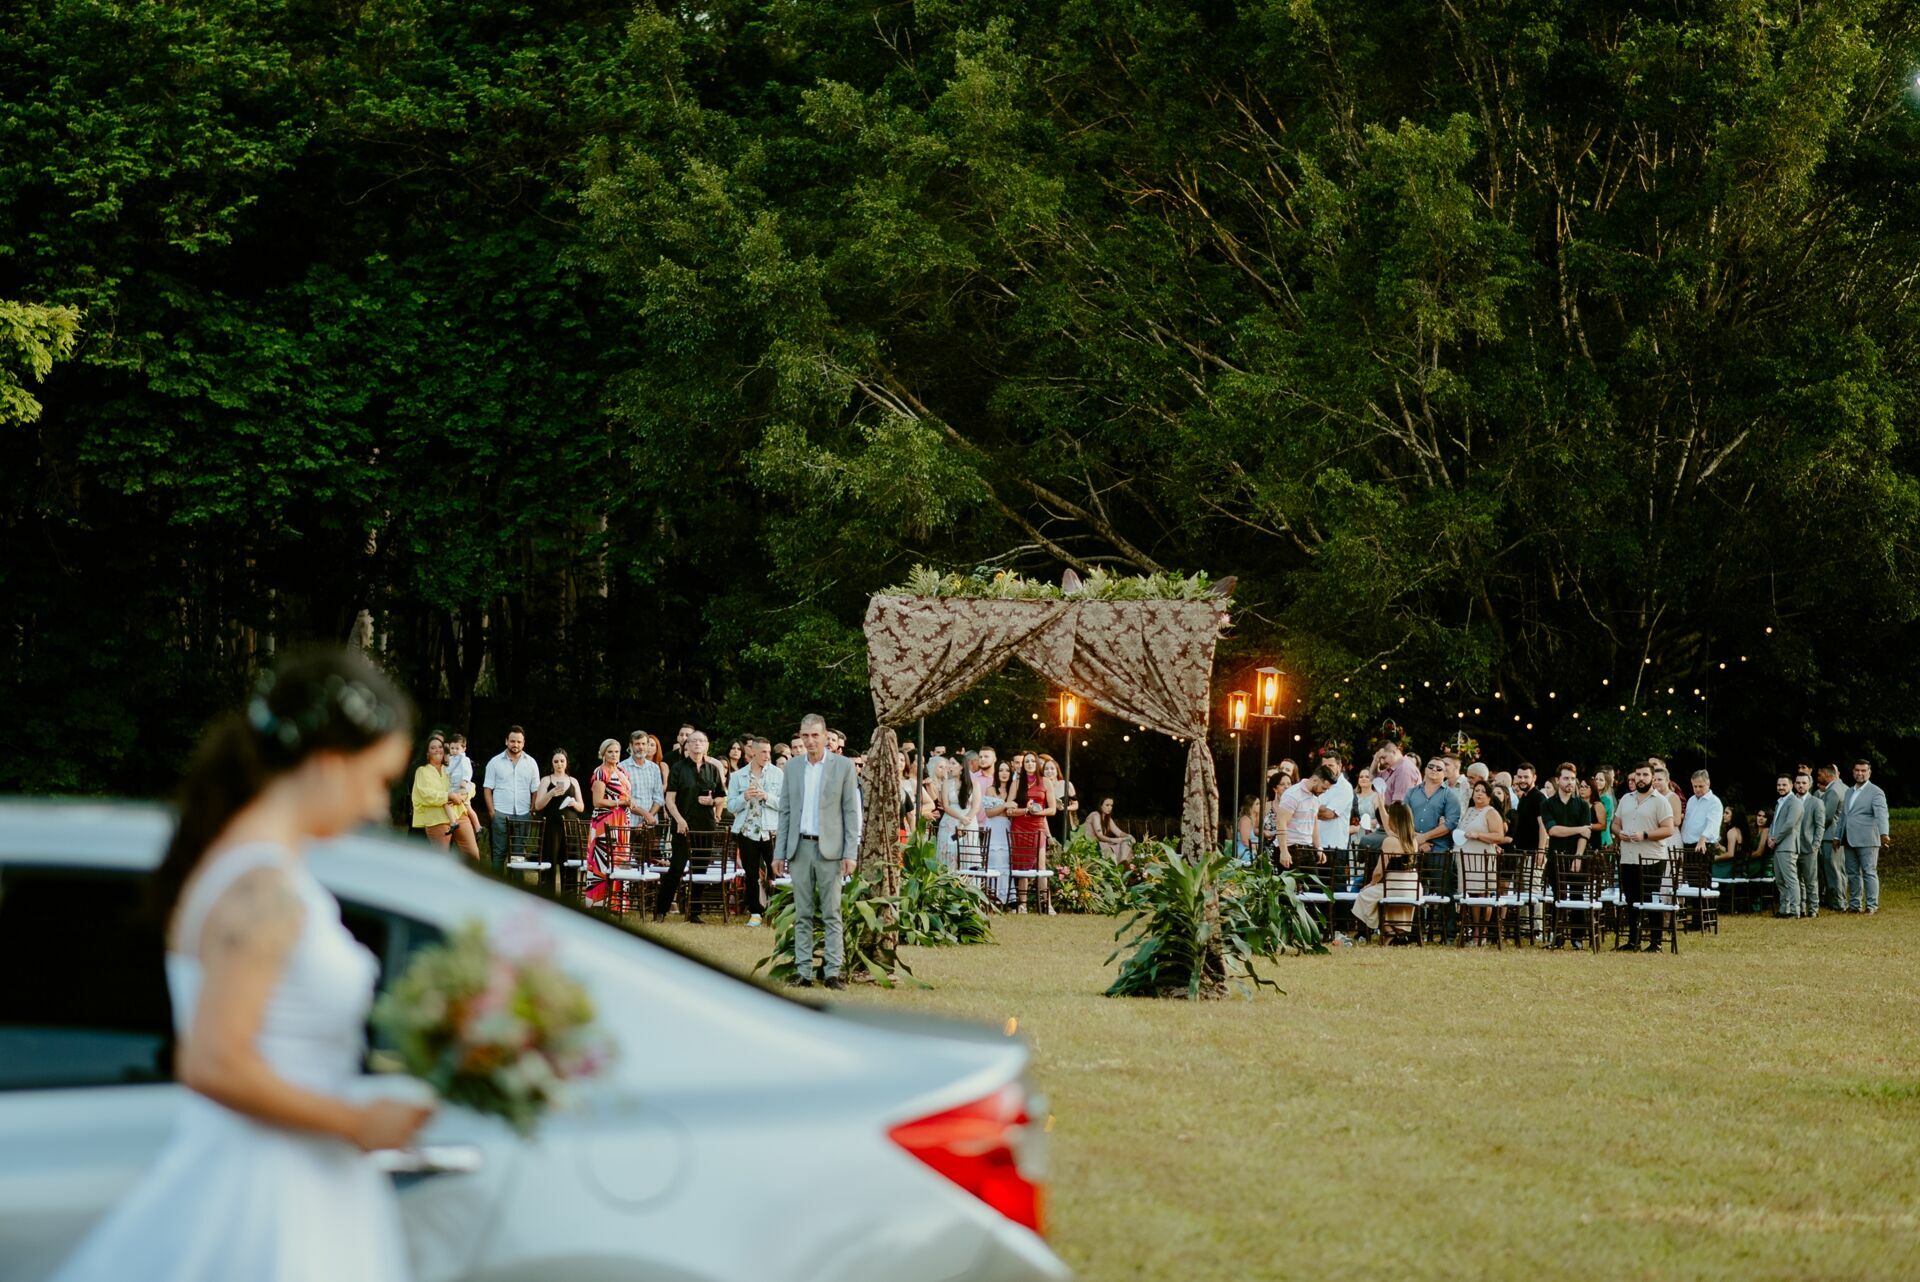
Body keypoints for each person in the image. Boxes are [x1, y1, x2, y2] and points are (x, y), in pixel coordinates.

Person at [51, 650, 428, 1282]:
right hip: (264, 1195)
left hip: (293, 1180)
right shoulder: (260, 888)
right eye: (378, 779)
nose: (374, 806)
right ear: (331, 765)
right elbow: (213, 1060)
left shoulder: (251, 868)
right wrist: (359, 1121)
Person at [773, 714, 861, 989]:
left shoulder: (844, 767)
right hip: (799, 848)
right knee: (803, 912)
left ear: (826, 737)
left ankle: (832, 972)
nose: (809, 741)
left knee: (832, 912)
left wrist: (851, 852)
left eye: (815, 735)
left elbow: (850, 811)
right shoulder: (794, 767)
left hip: (831, 850)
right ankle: (804, 972)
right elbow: (785, 811)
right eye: (805, 736)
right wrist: (779, 852)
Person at [657, 731, 723, 924]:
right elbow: (669, 799)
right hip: (682, 826)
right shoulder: (678, 768)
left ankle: (694, 913)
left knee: (700, 868)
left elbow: (721, 796)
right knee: (676, 868)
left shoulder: (713, 769)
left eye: (702, 741)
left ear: (707, 746)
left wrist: (712, 801)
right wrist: (679, 819)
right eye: (694, 741)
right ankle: (661, 910)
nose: (698, 744)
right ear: (687, 746)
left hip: (706, 826)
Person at [1612, 761, 1676, 951]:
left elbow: (1669, 829)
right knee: (1631, 900)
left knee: (1650, 899)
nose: (1641, 779)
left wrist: (1645, 835)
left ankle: (1655, 942)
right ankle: (1634, 941)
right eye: (1637, 775)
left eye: (1645, 775)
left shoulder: (1660, 801)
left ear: (1652, 778)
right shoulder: (1626, 799)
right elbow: (1614, 824)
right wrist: (1618, 832)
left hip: (1651, 858)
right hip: (1628, 857)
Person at [727, 737, 783, 924]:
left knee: (776, 872)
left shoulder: (778, 774)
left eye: (769, 752)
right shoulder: (738, 776)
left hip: (771, 830)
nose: (768, 756)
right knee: (751, 874)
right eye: (764, 752)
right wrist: (744, 797)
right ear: (753, 753)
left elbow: (785, 804)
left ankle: (778, 911)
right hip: (747, 830)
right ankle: (756, 913)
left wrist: (766, 796)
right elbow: (731, 806)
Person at [1539, 763, 1592, 947]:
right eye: (1566, 778)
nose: (1570, 782)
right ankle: (1557, 937)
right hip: (1555, 856)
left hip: (1577, 856)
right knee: (1557, 897)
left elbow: (1585, 835)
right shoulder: (1547, 804)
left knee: (1577, 895)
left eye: (1572, 779)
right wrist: (1579, 829)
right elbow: (1553, 830)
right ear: (1557, 780)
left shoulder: (1583, 805)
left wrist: (1578, 856)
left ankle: (1577, 938)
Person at [1352, 800, 1420, 942]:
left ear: (1394, 819)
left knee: (1364, 895)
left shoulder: (1390, 841)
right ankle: (1395, 929)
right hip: (1414, 887)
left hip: (1395, 886)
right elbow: (1389, 828)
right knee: (1380, 896)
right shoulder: (1413, 840)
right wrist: (1380, 803)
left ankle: (1388, 928)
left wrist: (1371, 883)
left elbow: (1378, 871)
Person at [1455, 778, 1509, 944]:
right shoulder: (1469, 810)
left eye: (1483, 792)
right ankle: (1472, 929)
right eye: (1476, 790)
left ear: (1489, 796)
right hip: (1465, 857)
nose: (1478, 794)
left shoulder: (1491, 812)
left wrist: (1479, 835)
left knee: (1481, 894)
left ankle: (1481, 932)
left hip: (1482, 858)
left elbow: (1499, 836)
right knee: (1469, 895)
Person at [580, 740, 631, 904]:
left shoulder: (622, 771)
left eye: (617, 752)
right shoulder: (601, 773)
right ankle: (599, 901)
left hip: (622, 820)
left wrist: (629, 803)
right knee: (603, 860)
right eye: (610, 752)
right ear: (603, 753)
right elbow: (597, 801)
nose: (614, 755)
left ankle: (617, 903)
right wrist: (620, 803)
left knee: (620, 859)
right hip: (605, 821)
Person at [1837, 758, 1890, 914]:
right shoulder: (1848, 791)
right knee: (1852, 873)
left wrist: (1884, 833)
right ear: (1853, 772)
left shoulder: (1876, 792)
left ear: (1869, 772)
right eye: (1857, 770)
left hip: (1868, 839)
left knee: (1869, 872)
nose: (1860, 773)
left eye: (1863, 770)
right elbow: (1843, 816)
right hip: (1849, 838)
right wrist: (1837, 836)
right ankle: (1855, 905)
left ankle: (1872, 905)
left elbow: (1881, 814)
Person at [483, 725, 538, 866]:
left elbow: (535, 790)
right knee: (499, 853)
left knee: (519, 856)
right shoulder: (494, 762)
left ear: (523, 743)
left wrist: (531, 810)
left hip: (523, 813)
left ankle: (515, 887)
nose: (516, 745)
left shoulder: (531, 763)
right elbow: (487, 789)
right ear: (506, 741)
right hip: (500, 814)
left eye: (519, 742)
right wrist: (492, 813)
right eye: (512, 741)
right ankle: (495, 886)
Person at [534, 748, 585, 884]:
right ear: (552, 764)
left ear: (566, 763)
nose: (559, 764)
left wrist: (573, 803)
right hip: (551, 827)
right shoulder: (546, 780)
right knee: (549, 862)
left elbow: (582, 807)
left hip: (571, 827)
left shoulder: (573, 781)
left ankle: (569, 896)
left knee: (570, 863)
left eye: (562, 761)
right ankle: (547, 896)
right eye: (556, 761)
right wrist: (551, 794)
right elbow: (538, 805)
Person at [1272, 766, 1334, 870]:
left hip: (1307, 848)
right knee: (1290, 886)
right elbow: (1281, 822)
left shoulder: (1315, 797)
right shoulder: (1293, 794)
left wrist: (1318, 847)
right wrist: (1284, 851)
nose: (1324, 791)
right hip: (1290, 848)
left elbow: (1313, 823)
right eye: (1323, 788)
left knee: (1314, 886)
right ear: (1315, 780)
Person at [1765, 772, 1806, 918]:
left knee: (1791, 879)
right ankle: (1784, 909)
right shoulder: (1779, 802)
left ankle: (1795, 910)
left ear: (1791, 785)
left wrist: (1775, 839)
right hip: (1777, 845)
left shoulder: (1795, 802)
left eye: (1784, 785)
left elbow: (1789, 824)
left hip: (1787, 845)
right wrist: (1770, 837)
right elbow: (1774, 823)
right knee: (1780, 880)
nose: (1781, 787)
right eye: (1779, 785)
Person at [1404, 757, 1462, 857]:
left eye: (1439, 768)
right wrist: (1416, 840)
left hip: (1438, 850)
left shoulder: (1450, 796)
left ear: (1445, 774)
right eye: (1431, 766)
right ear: (1425, 770)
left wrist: (1424, 837)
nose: (1434, 769)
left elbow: (1450, 824)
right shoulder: (1411, 792)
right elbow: (1402, 818)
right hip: (1412, 846)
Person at [1314, 749, 1355, 876]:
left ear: (1340, 766)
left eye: (1330, 765)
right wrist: (1320, 808)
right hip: (1317, 844)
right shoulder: (1318, 783)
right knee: (1315, 891)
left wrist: (1310, 810)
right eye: (1324, 766)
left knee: (1335, 890)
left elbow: (1329, 814)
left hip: (1335, 846)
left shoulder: (1345, 787)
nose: (1327, 769)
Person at [619, 731, 666, 840]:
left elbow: (658, 798)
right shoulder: (621, 767)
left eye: (644, 744)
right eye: (637, 744)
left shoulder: (654, 768)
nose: (641, 747)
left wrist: (646, 819)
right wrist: (645, 815)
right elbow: (623, 799)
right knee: (625, 857)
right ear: (631, 746)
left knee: (647, 857)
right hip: (627, 823)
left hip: (650, 825)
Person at [409, 735, 453, 850]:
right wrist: (449, 796)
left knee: (470, 855)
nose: (438, 750)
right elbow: (427, 795)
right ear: (427, 753)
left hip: (456, 817)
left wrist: (464, 795)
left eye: (440, 747)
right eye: (433, 748)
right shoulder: (422, 771)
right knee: (442, 857)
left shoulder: (448, 769)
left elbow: (467, 783)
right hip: (436, 820)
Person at [1815, 764, 1849, 912]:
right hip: (1838, 834)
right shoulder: (1844, 788)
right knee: (1839, 868)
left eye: (1819, 775)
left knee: (1833, 868)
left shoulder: (1833, 791)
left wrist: (1815, 828)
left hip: (1830, 835)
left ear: (1827, 775)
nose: (1818, 778)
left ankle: (1838, 902)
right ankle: (1836, 900)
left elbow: (1827, 816)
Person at [442, 733, 480, 859]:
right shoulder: (451, 759)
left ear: (464, 749)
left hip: (462, 786)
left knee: (448, 803)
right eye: (452, 748)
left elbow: (468, 771)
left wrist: (465, 780)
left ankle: (454, 823)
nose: (454, 751)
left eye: (457, 748)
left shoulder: (464, 759)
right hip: (454, 786)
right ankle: (478, 827)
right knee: (468, 807)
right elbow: (448, 772)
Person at [983, 759, 1015, 903]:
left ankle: (1006, 897)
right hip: (993, 827)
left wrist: (1004, 808)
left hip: (1006, 827)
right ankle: (992, 896)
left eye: (1007, 770)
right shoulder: (990, 789)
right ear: (997, 773)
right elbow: (989, 812)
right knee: (993, 860)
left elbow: (1011, 812)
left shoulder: (1012, 791)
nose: (1004, 773)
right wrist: (1005, 805)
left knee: (1005, 861)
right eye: (1001, 770)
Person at [1795, 769, 1826, 919]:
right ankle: (1799, 908)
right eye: (1798, 783)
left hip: (1809, 847)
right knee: (1796, 880)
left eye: (1804, 783)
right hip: (1792, 848)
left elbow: (1820, 826)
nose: (1801, 785)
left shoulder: (1816, 803)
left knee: (1811, 880)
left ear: (1809, 784)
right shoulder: (1790, 800)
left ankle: (1813, 908)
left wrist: (1816, 845)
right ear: (1794, 785)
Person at [1082, 797, 1136, 863]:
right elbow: (1100, 836)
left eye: (1111, 805)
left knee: (1126, 843)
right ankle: (1122, 864)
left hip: (1102, 844)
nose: (1110, 808)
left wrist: (1128, 836)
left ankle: (1122, 864)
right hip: (1092, 846)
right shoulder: (1095, 815)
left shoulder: (1107, 818)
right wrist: (1115, 840)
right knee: (1122, 847)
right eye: (1107, 805)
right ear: (1100, 805)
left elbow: (1119, 833)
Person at [1041, 756, 1079, 845]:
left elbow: (1076, 805)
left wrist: (1065, 808)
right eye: (1046, 769)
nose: (1049, 771)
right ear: (1043, 771)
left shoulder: (1066, 785)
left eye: (1052, 768)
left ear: (1057, 770)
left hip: (1063, 823)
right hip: (1047, 824)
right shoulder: (1042, 787)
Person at [1377, 742, 1419, 806]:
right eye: (1380, 759)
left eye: (1384, 757)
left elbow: (1399, 807)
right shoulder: (1393, 769)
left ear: (1393, 752)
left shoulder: (1404, 770)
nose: (1382, 762)